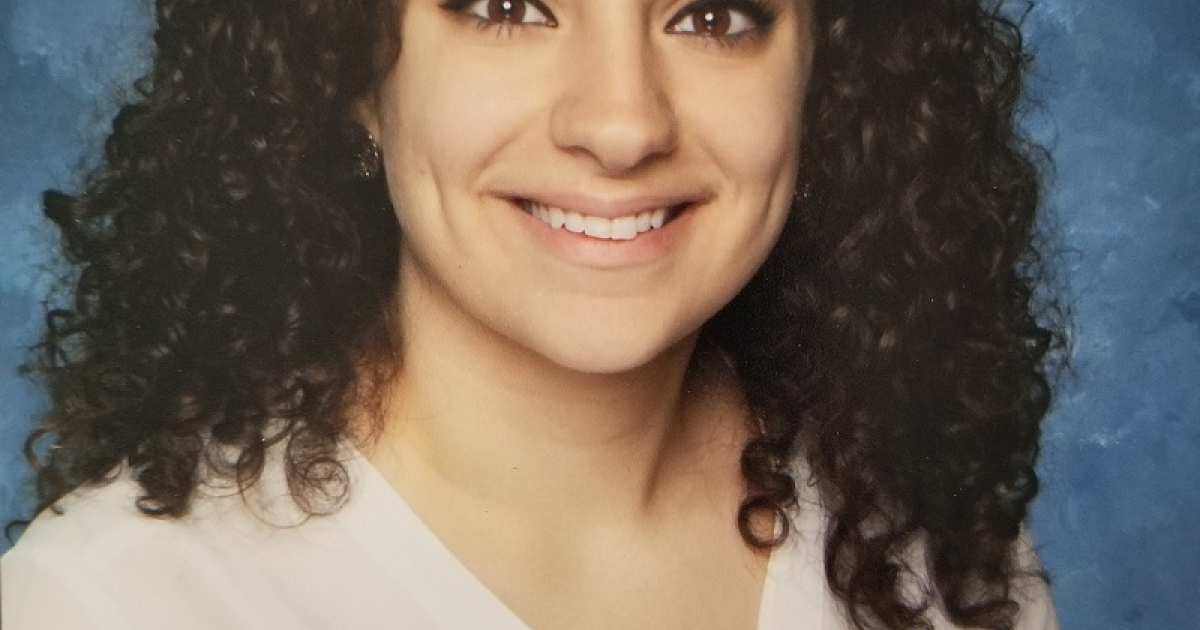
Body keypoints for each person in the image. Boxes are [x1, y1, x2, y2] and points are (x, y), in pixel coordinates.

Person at [2, 0, 1063, 628]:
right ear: (352, 71)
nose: (621, 123)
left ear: (827, 82)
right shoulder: (112, 605)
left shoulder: (922, 546)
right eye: (508, 6)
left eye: (712, 15)